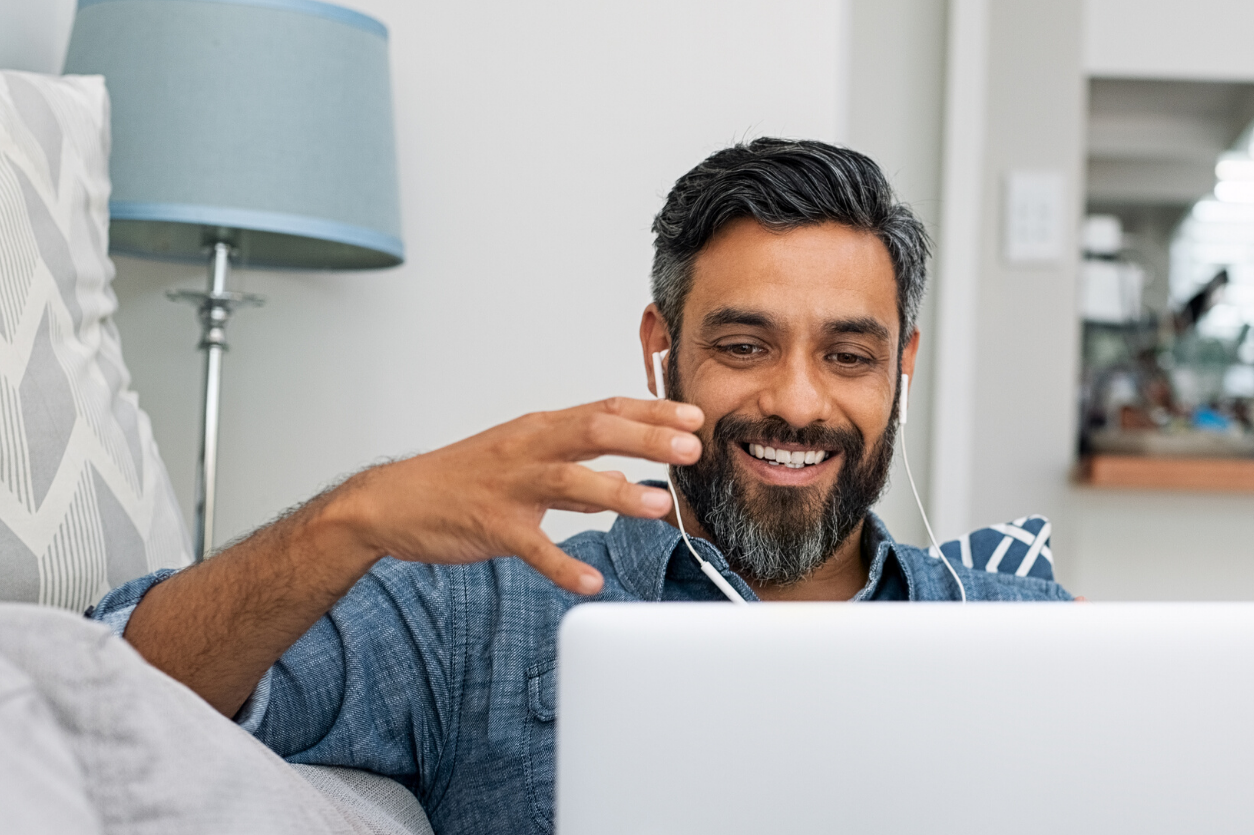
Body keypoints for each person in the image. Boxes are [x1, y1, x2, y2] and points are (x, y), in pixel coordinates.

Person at [93, 138, 1073, 835]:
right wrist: (356, 515)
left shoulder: (1036, 637)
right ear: (663, 347)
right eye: (744, 345)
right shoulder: (485, 606)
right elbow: (120, 698)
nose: (797, 401)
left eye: (848, 355)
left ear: (901, 364)